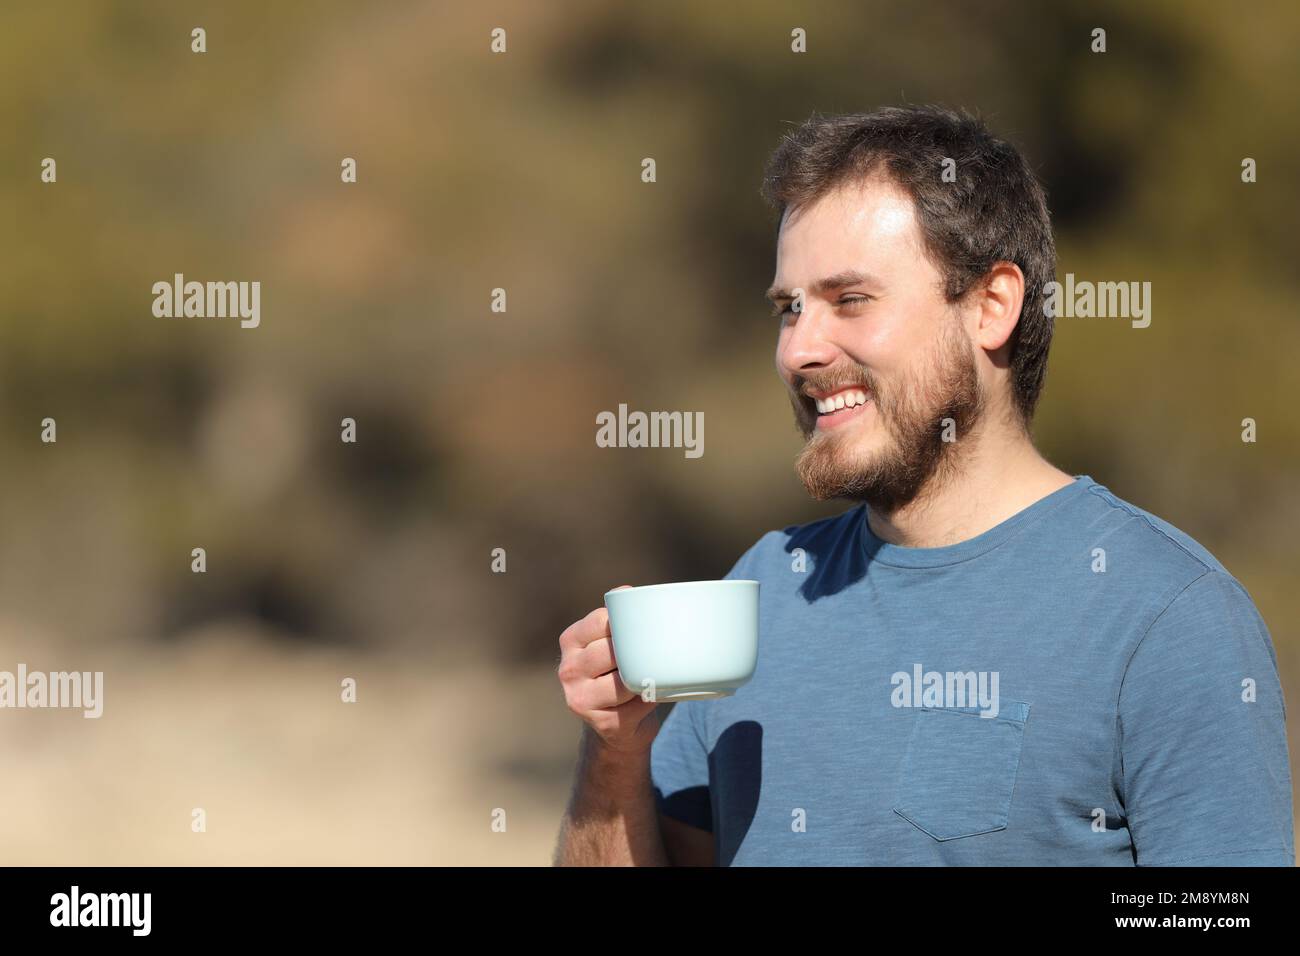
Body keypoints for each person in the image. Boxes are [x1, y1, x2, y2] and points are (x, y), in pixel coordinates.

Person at [552, 105, 1294, 866]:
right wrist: (614, 757)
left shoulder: (1169, 618)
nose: (798, 350)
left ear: (991, 307)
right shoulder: (765, 589)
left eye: (850, 300)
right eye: (788, 309)